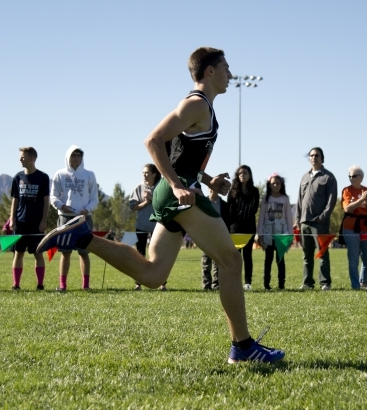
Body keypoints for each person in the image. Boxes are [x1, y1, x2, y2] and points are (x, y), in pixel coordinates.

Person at [35, 47, 284, 364]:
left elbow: (178, 151)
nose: (231, 74)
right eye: (226, 67)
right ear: (209, 71)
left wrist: (206, 180)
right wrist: (180, 185)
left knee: (152, 276)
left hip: (177, 192)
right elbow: (153, 141)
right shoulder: (195, 104)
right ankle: (243, 347)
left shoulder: (202, 108)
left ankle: (82, 237)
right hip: (179, 194)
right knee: (232, 261)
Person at [50, 145, 99, 292]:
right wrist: (61, 206)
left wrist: (88, 209)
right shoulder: (60, 174)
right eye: (74, 155)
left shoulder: (89, 175)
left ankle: (85, 285)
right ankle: (63, 285)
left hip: (84, 219)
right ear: (68, 157)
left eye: (79, 155)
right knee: (65, 252)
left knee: (84, 253)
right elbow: (53, 196)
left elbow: (94, 198)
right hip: (65, 217)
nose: (76, 158)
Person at [294, 147, 337, 291]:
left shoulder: (328, 177)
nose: (313, 158)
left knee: (322, 253)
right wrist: (298, 219)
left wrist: (323, 217)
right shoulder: (304, 177)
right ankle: (307, 283)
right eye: (311, 156)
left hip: (320, 223)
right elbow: (300, 200)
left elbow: (331, 201)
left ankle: (325, 283)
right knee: (307, 255)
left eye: (316, 155)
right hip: (304, 222)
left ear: (322, 158)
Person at [10, 147, 50, 290]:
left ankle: (40, 284)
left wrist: (44, 220)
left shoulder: (43, 177)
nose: (20, 159)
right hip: (20, 223)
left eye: (23, 157)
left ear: (32, 159)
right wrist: (12, 219)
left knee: (38, 254)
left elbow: (46, 201)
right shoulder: (17, 177)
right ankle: (16, 284)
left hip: (36, 224)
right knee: (18, 253)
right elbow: (14, 200)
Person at [129, 164, 167, 291]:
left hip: (159, 226)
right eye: (143, 173)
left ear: (154, 174)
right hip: (141, 226)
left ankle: (162, 283)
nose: (144, 175)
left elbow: (165, 206)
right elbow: (133, 207)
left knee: (159, 255)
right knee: (140, 255)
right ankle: (138, 283)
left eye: (147, 173)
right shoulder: (138, 187)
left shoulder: (162, 187)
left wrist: (153, 198)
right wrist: (146, 202)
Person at [340, 165, 367, 290]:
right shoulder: (346, 191)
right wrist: (361, 200)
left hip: (366, 227)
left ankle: (364, 282)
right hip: (350, 227)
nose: (351, 178)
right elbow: (347, 208)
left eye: (354, 176)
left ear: (361, 177)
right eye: (349, 176)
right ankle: (355, 285)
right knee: (354, 257)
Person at [257, 173, 293, 290]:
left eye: (278, 183)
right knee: (268, 259)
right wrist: (260, 233)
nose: (276, 185)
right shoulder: (266, 199)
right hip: (268, 233)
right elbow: (261, 217)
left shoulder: (285, 199)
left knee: (280, 259)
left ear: (281, 184)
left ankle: (281, 285)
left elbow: (289, 217)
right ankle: (266, 285)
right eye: (273, 183)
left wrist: (290, 235)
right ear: (269, 184)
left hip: (281, 233)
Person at [228, 165, 260, 291]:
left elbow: (254, 208)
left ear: (250, 175)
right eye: (240, 173)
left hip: (249, 228)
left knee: (248, 256)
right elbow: (230, 209)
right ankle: (234, 281)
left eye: (245, 173)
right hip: (235, 229)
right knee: (235, 257)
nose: (242, 175)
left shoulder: (255, 191)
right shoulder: (232, 191)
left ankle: (247, 282)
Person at [202, 188, 230, 290]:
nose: (212, 190)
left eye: (214, 188)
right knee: (206, 261)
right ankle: (206, 284)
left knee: (217, 262)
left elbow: (227, 221)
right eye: (210, 187)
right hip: (205, 236)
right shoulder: (203, 202)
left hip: (219, 236)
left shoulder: (224, 205)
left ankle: (216, 284)